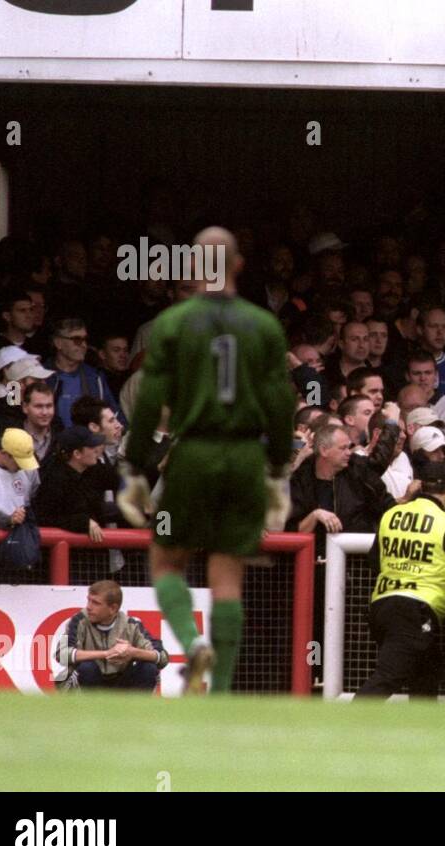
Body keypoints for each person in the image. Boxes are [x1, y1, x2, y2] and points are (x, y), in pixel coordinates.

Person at [117, 227, 297, 695]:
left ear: (193, 268)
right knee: (228, 571)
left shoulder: (173, 324)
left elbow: (150, 398)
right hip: (243, 455)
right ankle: (221, 694)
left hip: (191, 452)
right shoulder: (264, 325)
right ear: (238, 265)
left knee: (165, 561)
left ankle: (194, 641)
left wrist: (134, 465)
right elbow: (282, 404)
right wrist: (278, 470)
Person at [357, 461, 445, 698]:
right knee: (388, 676)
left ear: (418, 486)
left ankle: (422, 733)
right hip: (416, 611)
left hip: (382, 607)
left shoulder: (391, 514)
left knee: (427, 674)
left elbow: (374, 561)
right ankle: (340, 732)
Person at [54, 580, 168, 691]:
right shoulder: (78, 620)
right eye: (89, 600)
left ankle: (138, 709)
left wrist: (132, 652)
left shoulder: (132, 625)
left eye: (96, 603)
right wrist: (106, 653)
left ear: (113, 608)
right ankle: (85, 708)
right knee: (87, 668)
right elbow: (61, 654)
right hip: (89, 681)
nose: (89, 607)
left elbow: (162, 657)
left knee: (149, 668)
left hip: (121, 682)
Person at [34, 426, 120, 541]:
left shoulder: (94, 469)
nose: (96, 449)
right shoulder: (54, 480)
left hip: (95, 551)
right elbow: (46, 518)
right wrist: (83, 522)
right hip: (67, 552)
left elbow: (114, 480)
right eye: (91, 446)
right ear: (77, 454)